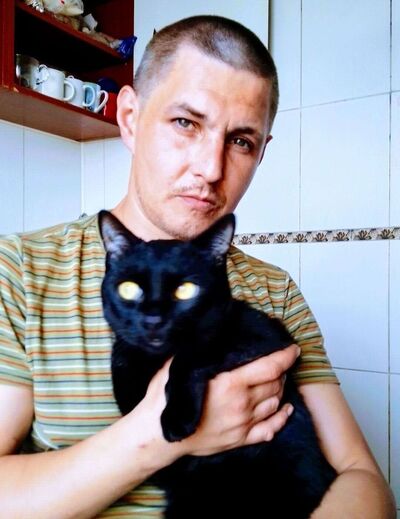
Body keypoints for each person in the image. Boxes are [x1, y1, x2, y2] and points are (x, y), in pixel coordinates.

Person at [0, 15, 395, 518]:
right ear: (130, 118)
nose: (211, 168)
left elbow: (363, 479)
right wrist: (160, 436)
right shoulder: (18, 270)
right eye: (186, 123)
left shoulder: (274, 290)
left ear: (261, 153)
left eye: (241, 141)